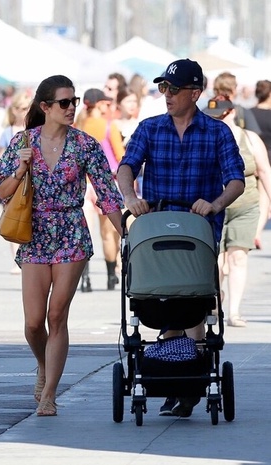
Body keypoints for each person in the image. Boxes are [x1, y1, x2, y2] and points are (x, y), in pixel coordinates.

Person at [0, 75, 123, 416]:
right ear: (45, 107)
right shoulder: (23, 142)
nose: (71, 107)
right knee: (33, 322)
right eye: (64, 102)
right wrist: (21, 168)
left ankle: (49, 394)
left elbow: (107, 196)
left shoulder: (85, 145)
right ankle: (43, 364)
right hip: (33, 234)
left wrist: (128, 235)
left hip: (71, 232)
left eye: (74, 101)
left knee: (57, 315)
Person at [117, 58, 245, 417]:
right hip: (157, 229)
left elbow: (236, 179)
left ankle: (188, 378)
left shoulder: (217, 132)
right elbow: (126, 166)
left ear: (195, 92)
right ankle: (174, 379)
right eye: (163, 88)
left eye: (173, 89)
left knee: (193, 298)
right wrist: (130, 198)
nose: (167, 95)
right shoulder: (150, 128)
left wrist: (215, 203)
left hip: (197, 231)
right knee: (161, 297)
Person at [204, 95, 271, 327]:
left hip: (246, 206)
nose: (217, 120)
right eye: (212, 116)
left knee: (238, 258)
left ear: (232, 112)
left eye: (221, 115)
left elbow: (264, 171)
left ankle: (234, 312)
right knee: (218, 261)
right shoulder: (207, 137)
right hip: (215, 206)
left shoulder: (250, 138)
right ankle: (215, 302)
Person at [75, 88, 125, 291]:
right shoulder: (108, 126)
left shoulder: (76, 127)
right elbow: (121, 157)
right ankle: (111, 276)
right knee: (108, 234)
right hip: (104, 183)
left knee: (84, 233)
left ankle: (85, 279)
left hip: (82, 185)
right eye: (105, 103)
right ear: (100, 105)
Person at [0, 90, 32, 275]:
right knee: (12, 215)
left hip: (27, 180)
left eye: (27, 108)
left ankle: (24, 253)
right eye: (20, 108)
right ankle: (15, 256)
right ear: (14, 110)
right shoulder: (8, 132)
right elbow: (0, 156)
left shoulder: (33, 131)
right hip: (12, 179)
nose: (23, 111)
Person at [251, 80, 271, 248]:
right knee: (264, 199)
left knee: (252, 199)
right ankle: (257, 232)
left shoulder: (248, 113)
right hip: (267, 161)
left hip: (250, 159)